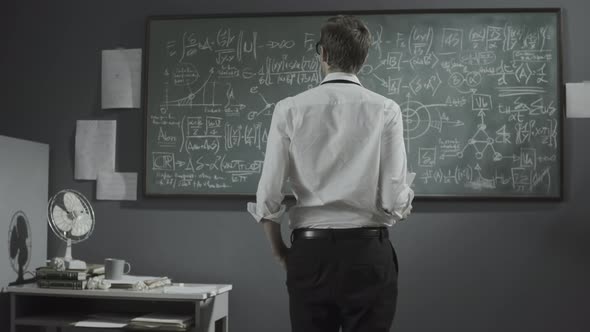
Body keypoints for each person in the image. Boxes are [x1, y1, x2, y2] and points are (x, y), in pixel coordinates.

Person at [247, 15, 414, 332]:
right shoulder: (386, 109)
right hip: (368, 252)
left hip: (310, 253)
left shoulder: (289, 108)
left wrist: (282, 252)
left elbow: (268, 194)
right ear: (363, 58)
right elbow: (395, 198)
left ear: (322, 54)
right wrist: (406, 200)